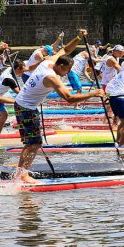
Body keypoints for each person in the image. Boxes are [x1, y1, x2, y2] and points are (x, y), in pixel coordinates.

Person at [14, 29, 105, 183]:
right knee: (34, 142)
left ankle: (20, 173)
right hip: (26, 107)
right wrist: (93, 93)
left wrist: (79, 37)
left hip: (23, 104)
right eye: (68, 70)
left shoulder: (49, 61)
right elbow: (69, 98)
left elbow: (66, 49)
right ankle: (23, 175)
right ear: (61, 66)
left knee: (32, 142)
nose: (68, 73)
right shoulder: (52, 78)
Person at [0, 60, 26, 138]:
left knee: (4, 115)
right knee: (4, 115)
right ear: (17, 69)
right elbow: (19, 93)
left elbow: (12, 64)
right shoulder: (9, 79)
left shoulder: (10, 68)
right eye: (22, 71)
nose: (23, 73)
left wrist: (3, 60)